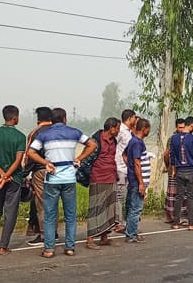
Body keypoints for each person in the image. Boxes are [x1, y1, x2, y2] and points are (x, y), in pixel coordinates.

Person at [27, 108, 96, 258]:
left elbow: (30, 152)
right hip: (69, 178)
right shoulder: (74, 132)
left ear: (51, 120)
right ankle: (70, 247)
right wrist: (79, 158)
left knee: (50, 215)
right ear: (65, 119)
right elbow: (92, 145)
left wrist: (45, 162)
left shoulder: (44, 134)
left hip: (52, 178)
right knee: (70, 215)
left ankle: (49, 249)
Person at [0, 105, 27, 254]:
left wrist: (1, 174)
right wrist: (7, 175)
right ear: (15, 117)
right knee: (11, 212)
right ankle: (3, 246)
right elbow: (18, 160)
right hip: (14, 179)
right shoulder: (20, 136)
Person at [87, 118, 122, 250]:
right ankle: (90, 239)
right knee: (95, 208)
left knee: (109, 209)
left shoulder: (114, 141)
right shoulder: (96, 140)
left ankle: (104, 237)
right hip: (98, 177)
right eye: (117, 128)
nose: (118, 131)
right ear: (111, 128)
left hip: (111, 177)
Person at [24, 106, 53, 246]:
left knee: (42, 204)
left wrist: (24, 174)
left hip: (40, 171)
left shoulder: (35, 133)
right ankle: (53, 232)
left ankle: (43, 235)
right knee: (53, 203)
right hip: (57, 171)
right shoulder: (57, 131)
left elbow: (29, 155)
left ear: (38, 119)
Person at [169, 116, 193, 230]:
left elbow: (172, 155)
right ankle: (191, 224)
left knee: (178, 197)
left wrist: (173, 168)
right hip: (191, 170)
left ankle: (175, 223)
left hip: (179, 170)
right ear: (192, 126)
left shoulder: (174, 138)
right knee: (191, 197)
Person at [123, 117, 151, 243]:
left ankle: (130, 232)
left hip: (133, 179)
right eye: (148, 129)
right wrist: (141, 183)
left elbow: (124, 154)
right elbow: (137, 163)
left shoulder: (133, 141)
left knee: (131, 207)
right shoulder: (137, 143)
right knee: (136, 208)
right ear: (144, 129)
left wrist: (129, 166)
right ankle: (131, 234)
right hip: (136, 181)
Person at [114, 109, 138, 231]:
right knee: (119, 196)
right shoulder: (121, 131)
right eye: (134, 118)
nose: (136, 120)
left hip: (127, 168)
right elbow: (114, 146)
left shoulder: (129, 132)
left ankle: (124, 220)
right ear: (129, 118)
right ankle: (118, 223)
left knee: (126, 196)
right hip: (120, 167)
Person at [163, 117, 186, 224]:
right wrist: (168, 166)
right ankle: (172, 216)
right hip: (174, 169)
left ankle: (173, 215)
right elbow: (166, 154)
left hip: (181, 169)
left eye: (183, 127)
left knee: (177, 193)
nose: (181, 129)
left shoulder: (185, 138)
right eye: (179, 127)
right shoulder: (173, 139)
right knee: (173, 194)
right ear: (176, 127)